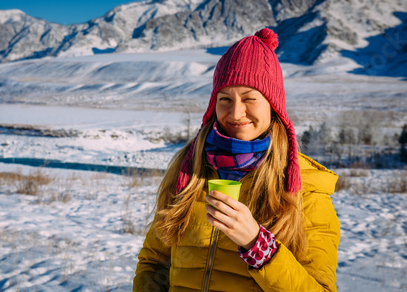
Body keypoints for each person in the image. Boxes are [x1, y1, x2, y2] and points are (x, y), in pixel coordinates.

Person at [133, 28, 340, 292]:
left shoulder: (305, 189)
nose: (236, 112)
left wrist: (259, 246)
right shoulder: (190, 169)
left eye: (250, 98)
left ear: (272, 104)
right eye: (225, 99)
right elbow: (155, 262)